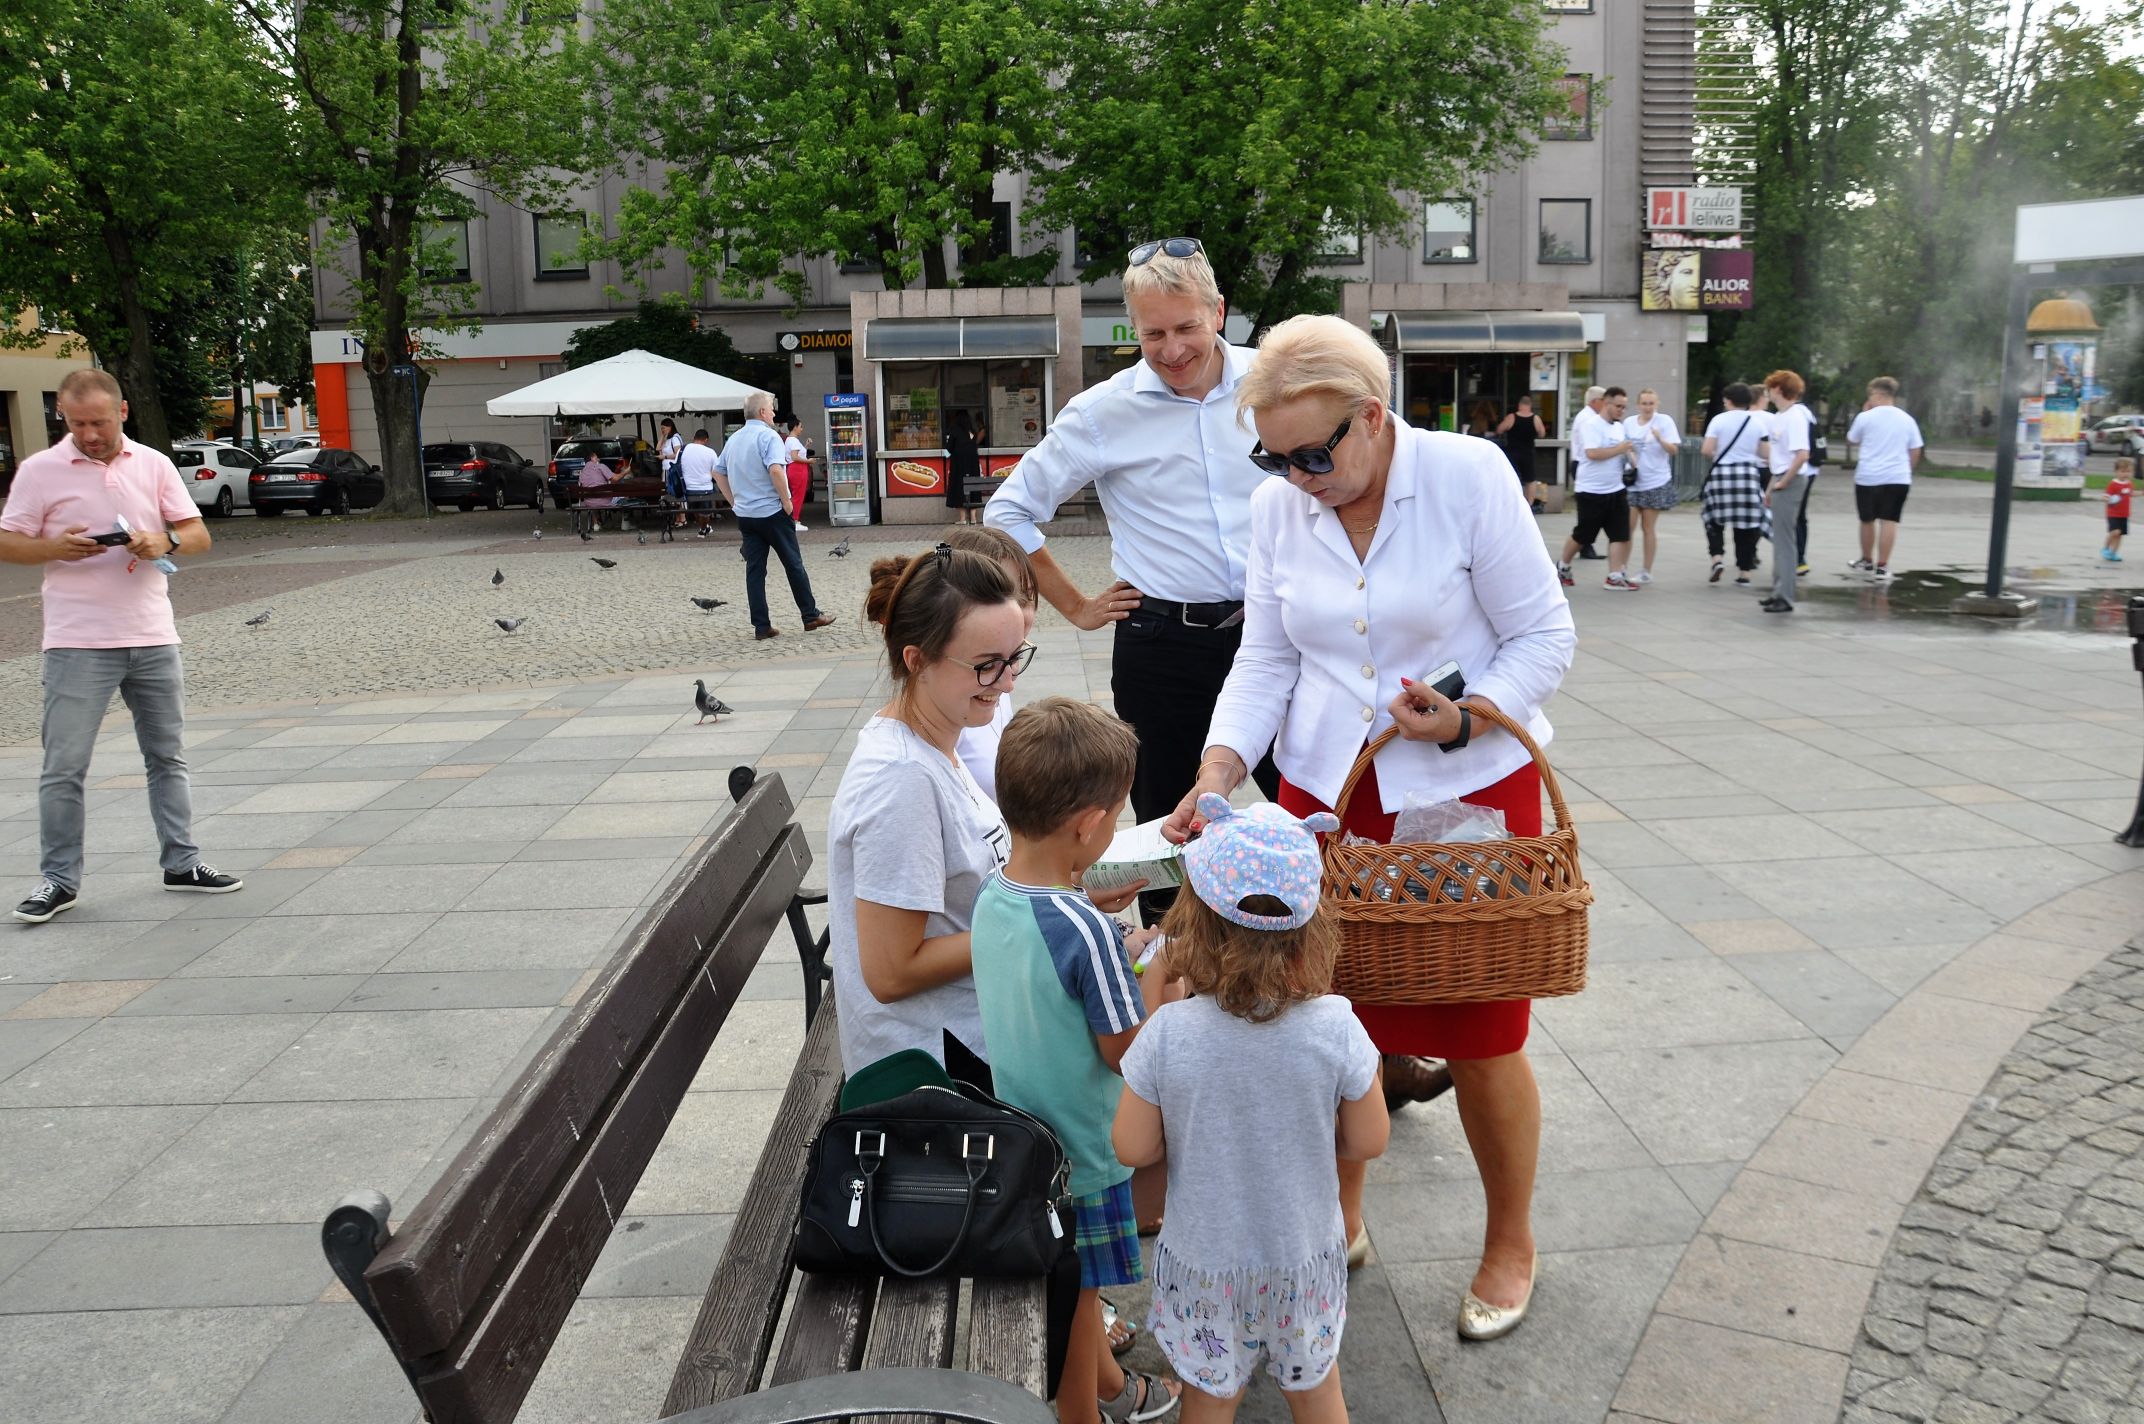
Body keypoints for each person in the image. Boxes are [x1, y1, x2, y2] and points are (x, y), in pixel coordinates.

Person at [1164, 315, 1574, 1336]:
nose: (1298, 475)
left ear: (1372, 416)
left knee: (1480, 1028)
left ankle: (1509, 1237)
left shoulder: (1467, 475)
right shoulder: (1276, 506)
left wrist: (1469, 711)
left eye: (1314, 452)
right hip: (1321, 794)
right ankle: (1338, 1209)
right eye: (1275, 454)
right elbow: (1265, 657)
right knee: (1322, 1010)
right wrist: (1218, 766)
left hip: (1462, 790)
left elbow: (1541, 632)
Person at [986, 238, 1278, 920]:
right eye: (1152, 333)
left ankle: (1316, 960)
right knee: (1167, 829)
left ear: (1219, 313)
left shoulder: (1276, 382)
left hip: (1275, 636)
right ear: (1132, 329)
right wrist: (1077, 607)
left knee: (1309, 798)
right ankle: (1171, 986)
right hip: (1162, 647)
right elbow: (1010, 509)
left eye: (1186, 328)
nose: (1171, 348)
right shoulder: (1103, 411)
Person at [1117, 796, 1389, 1423]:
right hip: (1302, 1260)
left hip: (1207, 1266)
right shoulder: (1336, 1026)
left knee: (1211, 1400)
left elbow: (1132, 1148)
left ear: (1196, 924)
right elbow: (1369, 1139)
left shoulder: (1169, 1034)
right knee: (1318, 1393)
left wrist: (1155, 997)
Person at [971, 697, 1180, 1424]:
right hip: (1083, 1152)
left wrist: (1107, 948)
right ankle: (1080, 1414)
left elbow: (1048, 987)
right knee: (1079, 1296)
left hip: (1024, 1136)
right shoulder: (1083, 926)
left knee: (1078, 1288)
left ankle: (1110, 1391)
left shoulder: (996, 895)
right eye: (1117, 815)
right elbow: (1128, 1051)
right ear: (1088, 825)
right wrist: (1152, 968)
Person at [2, 369, 242, 924]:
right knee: (64, 765)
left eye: (99, 422)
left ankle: (182, 863)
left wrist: (166, 538)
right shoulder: (39, 470)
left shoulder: (154, 464)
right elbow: (6, 542)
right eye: (76, 422)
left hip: (153, 633)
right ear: (63, 414)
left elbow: (199, 534)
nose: (88, 433)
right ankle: (58, 880)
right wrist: (51, 548)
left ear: (123, 412)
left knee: (167, 757)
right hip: (76, 640)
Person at [712, 392, 835, 639]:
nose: (774, 413)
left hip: (746, 515)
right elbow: (776, 471)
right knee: (793, 564)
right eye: (771, 409)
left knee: (755, 571)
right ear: (762, 412)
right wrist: (788, 503)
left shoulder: (734, 439)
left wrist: (734, 502)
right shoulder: (769, 436)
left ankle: (761, 626)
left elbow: (717, 472)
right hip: (772, 511)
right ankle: (810, 615)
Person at [948, 524, 1040, 800]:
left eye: (1026, 597)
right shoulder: (945, 702)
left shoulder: (996, 673)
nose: (1008, 683)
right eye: (1005, 596)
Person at [1557, 385, 1638, 590]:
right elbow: (1593, 454)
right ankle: (1563, 567)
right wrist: (1619, 449)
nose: (1622, 410)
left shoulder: (1618, 427)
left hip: (1616, 489)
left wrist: (1631, 460)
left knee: (1620, 533)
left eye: (1624, 407)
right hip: (1591, 490)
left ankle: (1615, 576)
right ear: (1606, 403)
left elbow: (1623, 449)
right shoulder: (1591, 424)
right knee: (1584, 535)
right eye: (1618, 406)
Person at [1845, 376, 1924, 580]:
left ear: (1878, 394)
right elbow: (1915, 449)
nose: (1869, 398)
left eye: (1870, 394)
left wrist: (1863, 414)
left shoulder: (1866, 417)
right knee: (1890, 520)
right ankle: (1882, 566)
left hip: (1868, 477)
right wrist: (1907, 469)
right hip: (1898, 477)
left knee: (1867, 520)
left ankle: (1866, 559)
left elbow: (1851, 440)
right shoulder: (1906, 419)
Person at [1699, 382, 1771, 588]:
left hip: (1722, 475)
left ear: (1728, 400)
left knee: (1713, 520)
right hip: (1747, 476)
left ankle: (1717, 558)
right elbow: (1765, 453)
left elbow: (1706, 450)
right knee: (1746, 525)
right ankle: (1745, 572)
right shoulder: (1757, 423)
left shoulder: (1718, 420)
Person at [1760, 370, 1814, 613]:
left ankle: (1785, 595)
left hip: (1790, 481)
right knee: (1780, 540)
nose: (1768, 392)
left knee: (1785, 541)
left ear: (1779, 389)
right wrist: (1772, 486)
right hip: (1781, 478)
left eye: (1771, 388)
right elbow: (1779, 458)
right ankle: (1777, 591)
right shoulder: (1779, 417)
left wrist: (1783, 482)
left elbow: (1802, 454)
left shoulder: (1794, 416)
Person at [1625, 388, 1682, 583]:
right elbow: (1624, 447)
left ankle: (1646, 570)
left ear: (1657, 404)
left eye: (1651, 403)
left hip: (1655, 481)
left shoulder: (1664, 421)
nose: (1647, 407)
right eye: (1644, 403)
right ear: (1638, 404)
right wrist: (1630, 455)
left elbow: (1673, 450)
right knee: (1627, 527)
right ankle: (1621, 568)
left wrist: (1660, 438)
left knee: (1648, 527)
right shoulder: (1629, 423)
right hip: (1633, 481)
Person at [1494, 395, 1547, 511]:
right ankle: (1530, 504)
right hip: (1528, 452)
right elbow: (1542, 433)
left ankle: (1514, 503)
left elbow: (1499, 430)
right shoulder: (1536, 418)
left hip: (1513, 452)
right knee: (1530, 479)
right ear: (1530, 406)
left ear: (1519, 405)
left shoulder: (1512, 417)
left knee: (1513, 478)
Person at [674, 428, 721, 536]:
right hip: (706, 489)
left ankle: (703, 528)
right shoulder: (710, 452)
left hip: (688, 488)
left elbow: (677, 468)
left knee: (695, 510)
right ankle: (704, 528)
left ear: (694, 438)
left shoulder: (681, 451)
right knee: (705, 512)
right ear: (706, 440)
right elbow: (716, 471)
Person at [946, 409, 988, 526]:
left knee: (959, 488)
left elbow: (949, 448)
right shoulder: (972, 432)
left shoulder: (954, 431)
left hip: (958, 465)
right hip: (973, 464)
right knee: (974, 487)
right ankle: (973, 518)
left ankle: (963, 518)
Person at [783, 419, 811, 533]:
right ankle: (794, 520)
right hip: (798, 469)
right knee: (798, 495)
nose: (801, 429)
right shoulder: (793, 441)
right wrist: (808, 461)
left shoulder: (790, 440)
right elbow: (795, 457)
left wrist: (806, 446)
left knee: (797, 494)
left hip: (795, 468)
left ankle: (794, 519)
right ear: (795, 427)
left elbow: (796, 454)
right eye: (800, 426)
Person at [657, 418, 686, 528]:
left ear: (670, 427)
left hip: (672, 470)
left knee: (675, 491)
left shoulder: (675, 438)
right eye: (661, 428)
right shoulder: (668, 439)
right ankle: (678, 518)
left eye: (664, 428)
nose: (662, 430)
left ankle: (682, 518)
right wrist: (662, 436)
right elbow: (658, 448)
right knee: (670, 493)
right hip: (666, 469)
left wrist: (665, 456)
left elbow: (677, 453)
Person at [2106, 458, 2133, 562]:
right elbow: (2106, 495)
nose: (2125, 474)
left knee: (2120, 535)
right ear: (2116, 472)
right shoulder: (2113, 484)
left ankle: (2113, 553)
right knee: (2115, 532)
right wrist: (2109, 498)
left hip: (2124, 514)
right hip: (2113, 513)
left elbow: (2131, 494)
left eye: (2128, 472)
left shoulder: (2129, 484)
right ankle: (2106, 548)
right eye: (2123, 471)